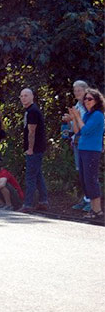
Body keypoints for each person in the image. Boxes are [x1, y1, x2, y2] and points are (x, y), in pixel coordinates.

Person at [67, 88, 104, 220]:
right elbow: (78, 132)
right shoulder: (88, 115)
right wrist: (74, 119)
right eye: (85, 99)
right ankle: (93, 210)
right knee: (84, 179)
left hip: (92, 150)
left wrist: (77, 117)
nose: (87, 101)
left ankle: (97, 210)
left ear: (96, 101)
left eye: (90, 99)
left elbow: (87, 131)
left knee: (91, 179)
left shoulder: (98, 115)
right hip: (83, 149)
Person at [17, 89, 48, 213]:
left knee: (30, 177)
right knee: (38, 175)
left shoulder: (33, 111)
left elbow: (32, 131)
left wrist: (30, 149)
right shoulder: (29, 111)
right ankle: (43, 201)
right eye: (21, 96)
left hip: (35, 149)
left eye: (26, 96)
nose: (23, 98)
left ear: (32, 97)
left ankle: (28, 204)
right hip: (36, 148)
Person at [62, 80, 90, 211]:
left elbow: (86, 125)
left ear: (85, 90)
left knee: (88, 172)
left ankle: (91, 202)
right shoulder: (77, 105)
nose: (77, 93)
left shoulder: (89, 105)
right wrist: (68, 121)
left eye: (79, 90)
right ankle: (86, 198)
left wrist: (73, 119)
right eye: (75, 90)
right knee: (81, 172)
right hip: (77, 141)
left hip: (88, 142)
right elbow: (74, 127)